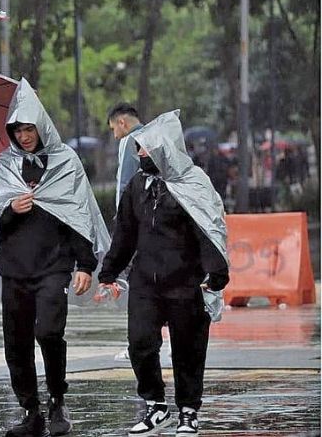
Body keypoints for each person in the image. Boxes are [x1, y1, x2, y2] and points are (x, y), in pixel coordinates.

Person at [0, 79, 110, 437]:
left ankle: (57, 399)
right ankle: (30, 409)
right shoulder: (5, 164)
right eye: (18, 130)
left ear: (41, 126)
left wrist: (85, 265)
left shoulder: (66, 161)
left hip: (54, 265)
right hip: (15, 267)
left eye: (29, 129)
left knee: (49, 332)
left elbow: (78, 213)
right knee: (16, 340)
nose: (24, 137)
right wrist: (11, 208)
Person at [98, 110, 229, 437]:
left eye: (145, 148)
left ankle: (188, 411)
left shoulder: (192, 183)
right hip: (146, 282)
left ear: (163, 148)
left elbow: (208, 229)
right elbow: (125, 233)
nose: (140, 154)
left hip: (186, 282)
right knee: (140, 343)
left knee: (188, 349)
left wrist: (215, 274)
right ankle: (155, 405)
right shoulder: (136, 186)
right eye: (138, 148)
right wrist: (108, 271)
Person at [107, 103, 144, 209]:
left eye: (113, 129)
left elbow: (125, 181)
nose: (115, 136)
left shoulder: (129, 140)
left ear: (121, 122)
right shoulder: (151, 136)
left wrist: (120, 212)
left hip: (135, 210)